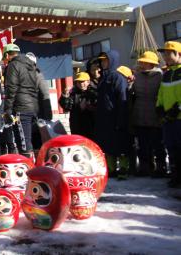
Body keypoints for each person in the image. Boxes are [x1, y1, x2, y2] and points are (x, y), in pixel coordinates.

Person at [94, 51, 129, 179]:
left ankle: (124, 168)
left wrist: (121, 118)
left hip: (116, 116)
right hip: (104, 118)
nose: (103, 63)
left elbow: (122, 98)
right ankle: (111, 169)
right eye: (102, 61)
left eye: (105, 60)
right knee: (108, 145)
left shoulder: (118, 77)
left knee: (120, 144)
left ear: (112, 60)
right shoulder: (103, 78)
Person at [130, 51, 165, 177]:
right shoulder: (137, 76)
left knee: (157, 144)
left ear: (151, 63)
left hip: (155, 114)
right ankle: (145, 167)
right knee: (142, 144)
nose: (141, 63)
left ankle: (161, 167)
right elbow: (131, 92)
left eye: (144, 61)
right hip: (139, 114)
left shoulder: (161, 76)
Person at [2, 43, 40, 159]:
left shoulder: (13, 65)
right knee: (31, 139)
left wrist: (7, 110)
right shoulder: (30, 65)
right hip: (32, 106)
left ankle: (28, 170)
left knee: (23, 141)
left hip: (20, 107)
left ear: (7, 55)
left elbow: (11, 89)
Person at [156, 41, 181, 188]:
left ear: (178, 54)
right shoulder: (167, 74)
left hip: (178, 118)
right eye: (164, 53)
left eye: (168, 53)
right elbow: (161, 94)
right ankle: (175, 175)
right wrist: (158, 107)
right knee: (171, 148)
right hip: (167, 119)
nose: (165, 56)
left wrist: (177, 109)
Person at [25, 52, 52, 153]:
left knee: (39, 141)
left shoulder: (38, 76)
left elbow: (45, 95)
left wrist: (48, 116)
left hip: (38, 115)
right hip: (28, 114)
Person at [59, 72, 96, 139]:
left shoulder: (93, 92)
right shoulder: (73, 93)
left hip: (91, 125)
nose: (81, 84)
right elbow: (66, 107)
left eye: (83, 81)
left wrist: (91, 108)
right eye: (78, 82)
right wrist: (65, 96)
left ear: (88, 82)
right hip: (76, 125)